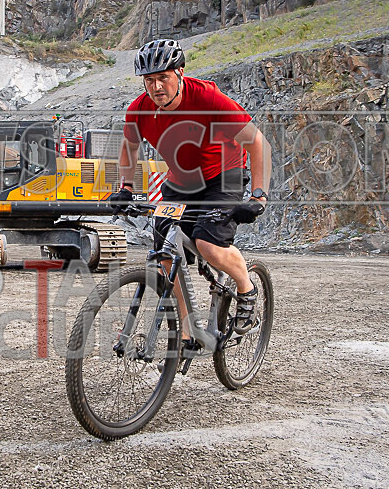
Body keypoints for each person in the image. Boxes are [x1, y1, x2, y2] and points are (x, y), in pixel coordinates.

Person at [110, 39, 272, 341]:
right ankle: (188, 329)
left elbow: (257, 142)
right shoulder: (139, 110)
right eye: (149, 80)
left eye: (163, 78)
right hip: (182, 180)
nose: (157, 87)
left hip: (224, 175)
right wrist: (126, 188)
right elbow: (129, 148)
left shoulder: (209, 99)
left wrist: (258, 196)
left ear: (180, 72)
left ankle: (246, 287)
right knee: (163, 254)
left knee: (209, 245)